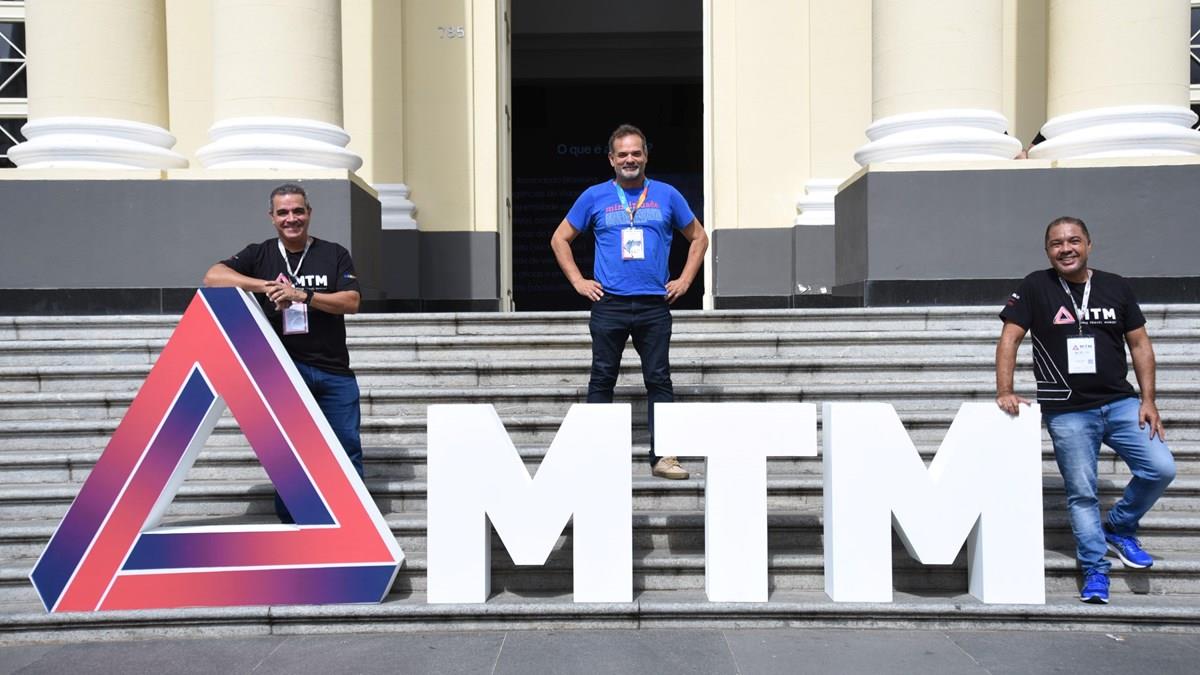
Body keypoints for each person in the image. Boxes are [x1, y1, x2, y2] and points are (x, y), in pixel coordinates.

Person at [995, 216, 1175, 604]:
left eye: (1074, 241)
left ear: (1089, 245)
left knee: (1161, 468)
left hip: (1121, 402)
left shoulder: (1115, 286)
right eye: (1057, 243)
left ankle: (1120, 526)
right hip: (1068, 410)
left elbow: (1140, 345)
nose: (1066, 249)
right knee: (1082, 494)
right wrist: (1005, 390)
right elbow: (1010, 338)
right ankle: (1095, 569)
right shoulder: (1035, 286)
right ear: (1048, 251)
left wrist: (1148, 400)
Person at [550, 124, 708, 480]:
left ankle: (664, 457)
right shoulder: (594, 197)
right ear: (611, 159)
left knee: (659, 379)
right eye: (622, 154)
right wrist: (578, 281)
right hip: (610, 303)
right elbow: (560, 238)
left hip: (654, 304)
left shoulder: (667, 195)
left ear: (646, 156)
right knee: (602, 378)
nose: (630, 159)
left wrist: (685, 280)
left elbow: (699, 237)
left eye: (636, 153)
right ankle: (595, 456)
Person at [204, 183, 365, 523]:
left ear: (309, 213)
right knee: (291, 452)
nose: (291, 218)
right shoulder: (260, 254)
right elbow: (214, 276)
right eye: (283, 213)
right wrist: (268, 287)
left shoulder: (334, 253)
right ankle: (294, 523)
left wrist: (302, 295)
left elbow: (351, 301)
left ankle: (354, 521)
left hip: (334, 371)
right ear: (272, 217)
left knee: (345, 445)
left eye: (297, 211)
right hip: (285, 371)